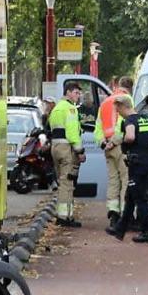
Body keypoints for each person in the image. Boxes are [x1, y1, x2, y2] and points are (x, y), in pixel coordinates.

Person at [105, 94, 148, 243]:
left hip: (137, 163)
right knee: (130, 197)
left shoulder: (129, 121)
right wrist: (146, 140)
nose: (119, 113)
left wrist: (123, 142)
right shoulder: (147, 118)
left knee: (139, 199)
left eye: (118, 110)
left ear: (123, 107)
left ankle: (147, 232)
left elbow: (130, 137)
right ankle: (120, 228)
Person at [96, 76, 133, 230]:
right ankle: (126, 216)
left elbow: (98, 128)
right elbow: (124, 125)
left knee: (113, 180)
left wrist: (103, 143)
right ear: (130, 88)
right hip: (120, 146)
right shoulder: (126, 100)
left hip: (108, 148)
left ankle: (113, 213)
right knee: (126, 180)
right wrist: (115, 141)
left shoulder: (105, 102)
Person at [49, 83, 85, 227]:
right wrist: (80, 151)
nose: (78, 96)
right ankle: (64, 216)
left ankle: (63, 214)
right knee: (67, 182)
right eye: (76, 93)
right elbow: (72, 133)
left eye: (79, 93)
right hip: (66, 148)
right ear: (68, 92)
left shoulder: (57, 108)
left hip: (55, 147)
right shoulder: (70, 109)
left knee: (62, 180)